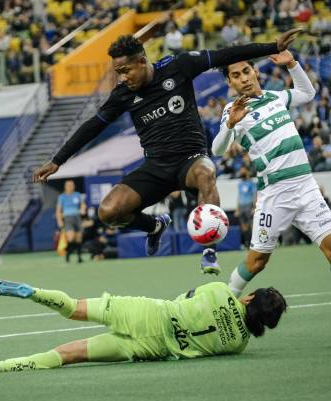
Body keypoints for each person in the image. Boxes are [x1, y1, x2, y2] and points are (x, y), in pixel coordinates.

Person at [33, 29, 304, 275]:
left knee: (206, 172)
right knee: (108, 212)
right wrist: (58, 161)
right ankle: (154, 227)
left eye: (126, 70)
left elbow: (227, 55)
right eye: (119, 73)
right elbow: (92, 126)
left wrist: (272, 46)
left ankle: (209, 251)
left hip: (190, 159)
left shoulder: (179, 66)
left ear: (142, 61)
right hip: (155, 167)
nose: (123, 77)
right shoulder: (122, 94)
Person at [211, 50, 331, 346]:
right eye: (236, 75)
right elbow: (218, 149)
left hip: (306, 188)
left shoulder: (276, 97)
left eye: (246, 71)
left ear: (254, 71)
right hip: (275, 195)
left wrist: (292, 65)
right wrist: (230, 124)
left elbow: (307, 93)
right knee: (257, 262)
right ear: (230, 82)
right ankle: (216, 306)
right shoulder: (233, 110)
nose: (243, 78)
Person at [0, 278, 287, 375]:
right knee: (67, 354)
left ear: (250, 298)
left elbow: (186, 293)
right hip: (149, 349)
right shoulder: (238, 345)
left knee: (73, 308)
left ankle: (34, 293)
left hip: (145, 313)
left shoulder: (219, 291)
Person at [56, 180, 86, 264]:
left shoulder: (77, 195)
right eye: (68, 185)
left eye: (72, 185)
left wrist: (83, 209)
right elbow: (58, 210)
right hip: (67, 218)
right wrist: (59, 220)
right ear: (65, 187)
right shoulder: (62, 197)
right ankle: (67, 256)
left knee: (78, 238)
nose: (70, 187)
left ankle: (79, 258)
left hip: (77, 217)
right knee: (71, 238)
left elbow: (83, 205)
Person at [235, 167, 256, 248]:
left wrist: (254, 207)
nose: (241, 171)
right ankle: (246, 242)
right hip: (241, 206)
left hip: (249, 205)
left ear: (247, 171)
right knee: (243, 225)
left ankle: (253, 242)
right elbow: (239, 196)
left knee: (251, 224)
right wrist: (237, 208)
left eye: (242, 170)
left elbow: (254, 195)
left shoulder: (251, 183)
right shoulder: (240, 184)